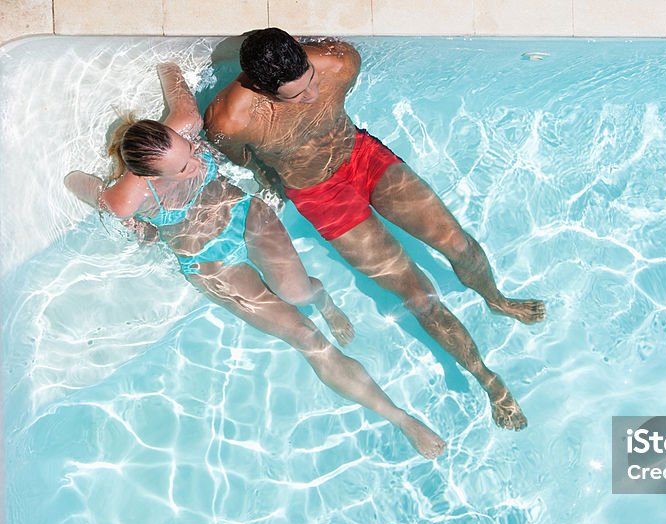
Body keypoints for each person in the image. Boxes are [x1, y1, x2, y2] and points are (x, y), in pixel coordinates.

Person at [65, 62, 445, 459]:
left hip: (245, 217)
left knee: (298, 292)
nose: (196, 160)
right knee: (304, 337)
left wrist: (170, 75)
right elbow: (76, 183)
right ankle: (400, 418)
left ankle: (324, 301)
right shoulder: (128, 198)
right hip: (207, 260)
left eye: (190, 150)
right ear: (145, 176)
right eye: (183, 167)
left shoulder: (185, 126)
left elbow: (170, 72)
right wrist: (134, 223)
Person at [203, 28, 545, 431]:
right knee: (418, 296)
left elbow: (323, 88)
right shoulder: (231, 119)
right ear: (262, 87)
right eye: (296, 96)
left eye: (311, 82)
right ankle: (488, 380)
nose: (311, 96)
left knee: (459, 245)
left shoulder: (339, 62)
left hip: (362, 157)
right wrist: (271, 177)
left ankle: (497, 298)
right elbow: (241, 158)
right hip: (318, 193)